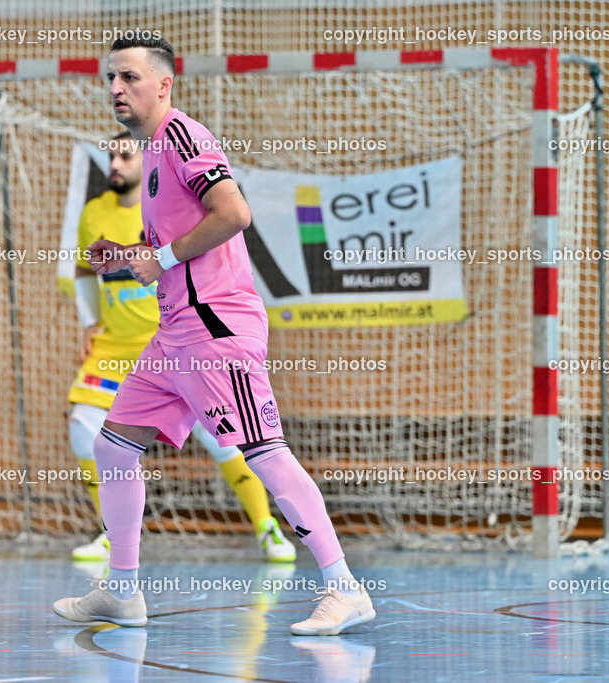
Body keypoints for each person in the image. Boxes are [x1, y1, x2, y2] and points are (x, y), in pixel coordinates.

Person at [53, 36, 375, 636]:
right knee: (113, 446)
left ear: (163, 84)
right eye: (111, 78)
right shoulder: (151, 151)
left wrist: (160, 258)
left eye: (129, 77)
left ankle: (344, 587)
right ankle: (121, 591)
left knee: (264, 452)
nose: (116, 88)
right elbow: (177, 241)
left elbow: (233, 213)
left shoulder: (182, 135)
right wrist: (128, 253)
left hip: (215, 329)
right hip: (173, 334)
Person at [67, 131, 296, 564]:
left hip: (174, 338)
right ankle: (113, 536)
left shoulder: (168, 203)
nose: (115, 163)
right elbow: (83, 268)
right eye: (111, 155)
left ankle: (266, 527)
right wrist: (90, 321)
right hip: (114, 348)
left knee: (225, 435)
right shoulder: (94, 212)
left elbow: (219, 232)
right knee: (85, 428)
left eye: (125, 155)